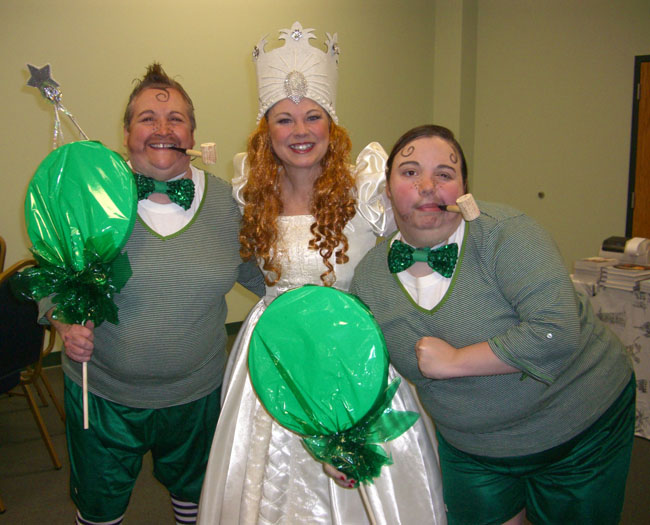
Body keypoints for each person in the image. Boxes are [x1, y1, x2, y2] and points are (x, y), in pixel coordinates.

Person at [197, 23, 446, 524]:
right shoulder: (252, 194)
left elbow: (423, 234)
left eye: (313, 117)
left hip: (350, 345)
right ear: (266, 129)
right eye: (284, 119)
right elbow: (244, 266)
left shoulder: (367, 190)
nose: (301, 131)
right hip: (275, 352)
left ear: (333, 126)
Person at [349, 124, 636, 525]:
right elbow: (366, 373)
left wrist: (455, 361)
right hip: (472, 448)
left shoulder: (506, 234)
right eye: (410, 172)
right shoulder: (370, 278)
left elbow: (556, 331)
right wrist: (348, 442)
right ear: (388, 187)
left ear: (463, 190)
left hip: (580, 429)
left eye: (444, 174)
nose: (428, 186)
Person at [44, 63, 265, 525]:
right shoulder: (92, 196)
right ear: (126, 133)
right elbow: (51, 272)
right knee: (100, 509)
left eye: (176, 119)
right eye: (147, 118)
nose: (162, 129)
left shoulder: (229, 205)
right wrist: (61, 318)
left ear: (192, 133)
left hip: (197, 395)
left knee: (196, 502)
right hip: (101, 394)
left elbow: (265, 277)